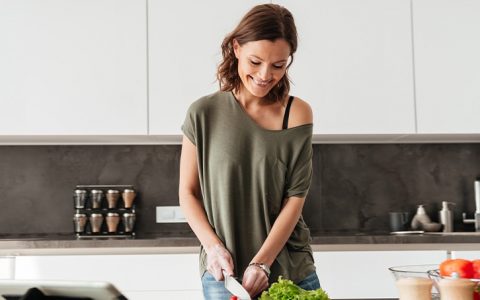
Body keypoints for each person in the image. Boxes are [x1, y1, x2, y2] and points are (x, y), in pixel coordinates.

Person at [179, 4, 319, 299]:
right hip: (224, 274)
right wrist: (213, 248)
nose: (265, 75)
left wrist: (263, 263)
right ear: (236, 48)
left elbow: (295, 199)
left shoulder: (296, 113)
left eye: (279, 65)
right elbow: (188, 193)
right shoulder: (203, 113)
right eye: (255, 61)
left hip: (289, 268)